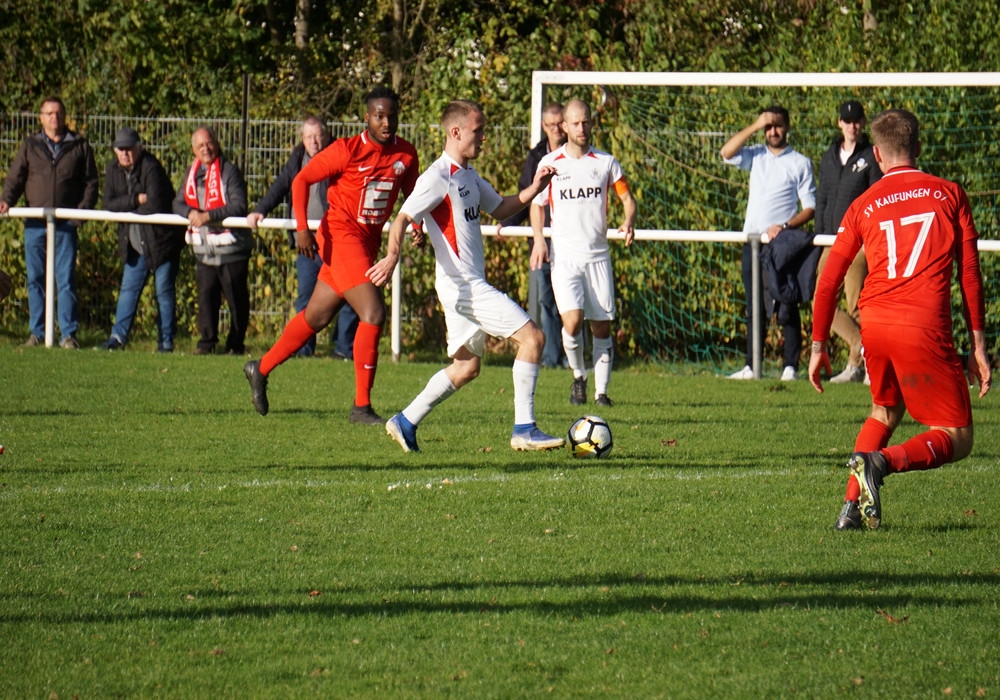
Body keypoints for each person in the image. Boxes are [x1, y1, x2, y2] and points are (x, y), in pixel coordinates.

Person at [808, 108, 991, 531]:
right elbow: (969, 275)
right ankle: (881, 463)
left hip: (875, 323)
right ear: (918, 147)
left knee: (884, 412)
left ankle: (850, 511)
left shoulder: (863, 204)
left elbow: (829, 281)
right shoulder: (950, 194)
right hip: (923, 323)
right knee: (958, 436)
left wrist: (818, 346)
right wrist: (978, 346)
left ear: (877, 154)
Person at [370, 99, 564, 453]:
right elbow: (402, 218)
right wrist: (393, 254)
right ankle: (524, 429)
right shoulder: (438, 176)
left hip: (461, 286)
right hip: (465, 287)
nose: (484, 137)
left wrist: (536, 187)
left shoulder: (468, 175)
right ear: (456, 132)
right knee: (533, 338)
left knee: (466, 367)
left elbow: (501, 207)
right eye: (479, 130)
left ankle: (405, 421)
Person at [243, 87, 419, 424]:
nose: (386, 122)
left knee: (316, 317)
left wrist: (418, 226)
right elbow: (301, 180)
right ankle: (361, 408)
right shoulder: (346, 150)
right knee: (373, 312)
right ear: (366, 117)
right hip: (340, 237)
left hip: (365, 244)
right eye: (379, 116)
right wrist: (302, 229)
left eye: (391, 116)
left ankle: (260, 368)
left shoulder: (406, 154)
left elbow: (412, 198)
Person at [529, 99, 637, 406]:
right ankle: (579, 376)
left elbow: (627, 199)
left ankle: (602, 392)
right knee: (572, 322)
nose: (582, 127)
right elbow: (537, 205)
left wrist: (628, 220)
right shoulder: (551, 163)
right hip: (564, 258)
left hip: (598, 256)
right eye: (575, 123)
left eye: (586, 121)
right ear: (564, 126)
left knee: (601, 326)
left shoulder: (605, 162)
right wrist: (539, 240)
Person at [246, 116, 360, 359]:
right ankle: (303, 350)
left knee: (351, 297)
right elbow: (280, 186)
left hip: (338, 243)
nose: (314, 141)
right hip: (308, 245)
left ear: (327, 136)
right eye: (308, 137)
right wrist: (260, 210)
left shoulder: (340, 155)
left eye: (318, 135)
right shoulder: (297, 159)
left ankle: (344, 350)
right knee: (306, 298)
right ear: (302, 139)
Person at [721, 105, 816, 381]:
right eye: (768, 127)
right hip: (754, 243)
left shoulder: (800, 162)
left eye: (778, 125)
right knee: (755, 307)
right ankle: (752, 367)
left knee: (787, 302)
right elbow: (726, 153)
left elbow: (810, 207)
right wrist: (755, 124)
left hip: (783, 245)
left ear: (787, 127)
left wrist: (785, 227)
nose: (773, 131)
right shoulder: (756, 156)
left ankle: (790, 367)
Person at [0, 96, 98, 348]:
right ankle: (37, 333)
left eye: (58, 113)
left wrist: (79, 215)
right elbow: (16, 178)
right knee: (35, 279)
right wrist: (6, 200)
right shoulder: (30, 145)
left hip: (65, 225)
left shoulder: (79, 146)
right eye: (49, 113)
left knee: (65, 279)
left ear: (64, 116)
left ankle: (68, 335)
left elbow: (91, 183)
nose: (54, 117)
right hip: (35, 224)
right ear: (41, 118)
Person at [98, 127, 184, 352]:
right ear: (115, 151)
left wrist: (126, 206)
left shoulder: (152, 167)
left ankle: (166, 342)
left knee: (163, 292)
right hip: (135, 244)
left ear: (139, 148)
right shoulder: (112, 169)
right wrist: (136, 199)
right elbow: (109, 204)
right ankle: (117, 338)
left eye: (129, 148)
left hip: (162, 242)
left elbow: (155, 204)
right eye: (121, 149)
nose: (125, 153)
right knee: (128, 290)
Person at [814, 100, 882, 383]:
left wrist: (868, 239)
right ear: (839, 123)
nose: (852, 126)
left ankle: (861, 366)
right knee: (821, 301)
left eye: (856, 121)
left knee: (856, 306)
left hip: (858, 244)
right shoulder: (829, 156)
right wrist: (819, 235)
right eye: (847, 121)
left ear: (863, 123)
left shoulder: (870, 157)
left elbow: (877, 198)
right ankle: (861, 346)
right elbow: (822, 198)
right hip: (830, 241)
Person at [172, 126, 250, 355]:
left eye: (209, 143)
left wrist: (208, 216)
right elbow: (177, 203)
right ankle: (206, 344)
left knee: (237, 301)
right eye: (200, 146)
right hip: (204, 250)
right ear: (193, 150)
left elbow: (239, 205)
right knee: (206, 298)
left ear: (216, 143)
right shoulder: (191, 174)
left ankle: (235, 345)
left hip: (232, 248)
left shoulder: (230, 172)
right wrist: (190, 213)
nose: (205, 149)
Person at [500, 102, 567, 369]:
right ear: (543, 126)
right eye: (551, 125)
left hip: (570, 242)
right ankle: (551, 359)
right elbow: (527, 194)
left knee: (572, 304)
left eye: (560, 124)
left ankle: (573, 357)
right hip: (542, 243)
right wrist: (507, 222)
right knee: (545, 300)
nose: (557, 130)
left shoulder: (577, 154)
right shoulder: (537, 156)